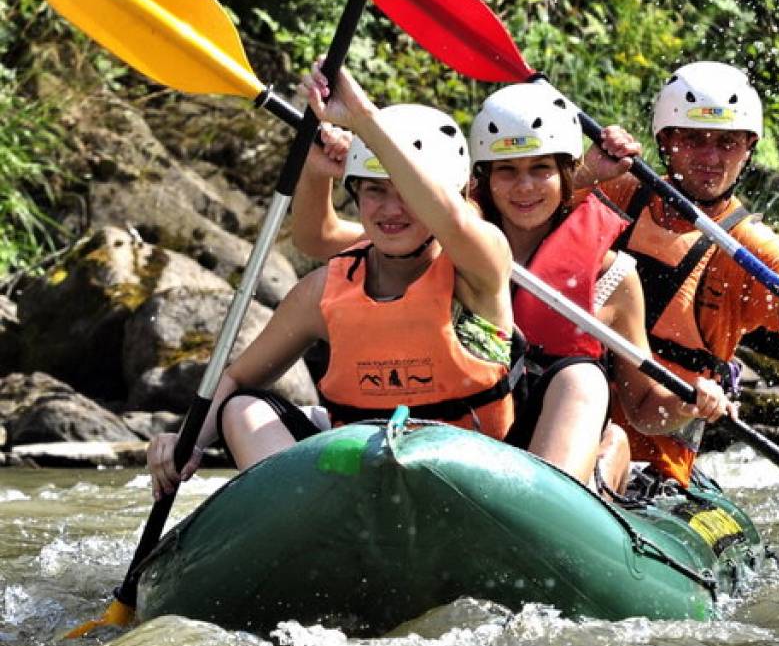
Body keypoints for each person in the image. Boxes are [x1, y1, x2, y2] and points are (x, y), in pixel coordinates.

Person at [291, 81, 735, 491]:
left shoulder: (611, 276)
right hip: (461, 439)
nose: (523, 187)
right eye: (507, 171)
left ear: (567, 173)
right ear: (481, 180)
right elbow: (318, 239)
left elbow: (642, 408)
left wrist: (688, 403)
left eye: (540, 169)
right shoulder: (441, 238)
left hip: (551, 450)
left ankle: (585, 492)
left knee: (596, 404)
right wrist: (317, 170)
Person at [148, 65, 514, 499]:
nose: (390, 209)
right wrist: (187, 440)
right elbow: (236, 379)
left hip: (472, 484)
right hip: (360, 492)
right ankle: (302, 525)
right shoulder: (324, 291)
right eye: (374, 190)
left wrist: (361, 118)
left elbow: (452, 221)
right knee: (243, 410)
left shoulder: (478, 265)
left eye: (405, 191)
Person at [584, 61, 779, 488]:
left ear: (749, 148)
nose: (710, 158)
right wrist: (586, 170)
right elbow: (515, 213)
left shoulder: (751, 248)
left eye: (727, 143)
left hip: (652, 464)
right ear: (666, 140)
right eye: (694, 140)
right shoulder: (617, 189)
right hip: (570, 414)